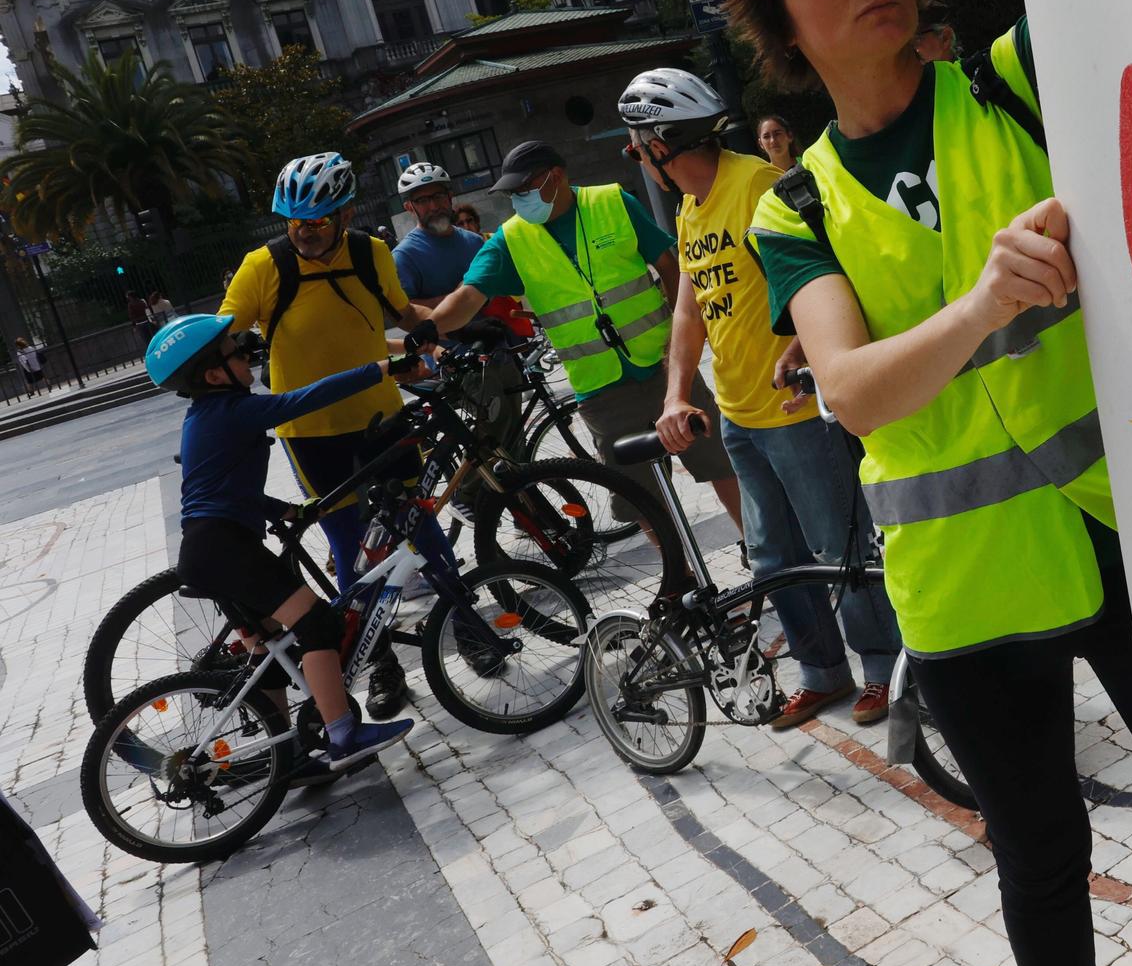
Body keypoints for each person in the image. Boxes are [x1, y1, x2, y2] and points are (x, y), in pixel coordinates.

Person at [720, 0, 1132, 966]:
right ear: (781, 13)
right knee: (1042, 859)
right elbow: (850, 389)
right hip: (966, 585)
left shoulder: (1018, 80)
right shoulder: (795, 205)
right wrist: (984, 300)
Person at [623, 67, 903, 727]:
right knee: (775, 558)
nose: (637, 157)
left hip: (797, 412)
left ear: (663, 144)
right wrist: (674, 395)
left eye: (638, 144)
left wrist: (804, 346)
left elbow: (827, 263)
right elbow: (690, 313)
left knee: (838, 547)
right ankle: (822, 673)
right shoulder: (692, 210)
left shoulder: (756, 185)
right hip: (740, 417)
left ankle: (885, 664)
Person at [220, 151, 458, 720]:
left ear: (345, 214)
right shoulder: (263, 266)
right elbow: (222, 335)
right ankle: (379, 666)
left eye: (320, 221)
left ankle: (467, 624)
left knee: (422, 528)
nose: (307, 233)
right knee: (349, 551)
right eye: (296, 222)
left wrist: (445, 334)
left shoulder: (372, 254)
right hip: (312, 432)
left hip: (382, 417)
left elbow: (404, 316)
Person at [143, 313, 420, 777]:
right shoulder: (235, 411)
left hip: (210, 549)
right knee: (319, 625)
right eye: (234, 352)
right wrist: (383, 369)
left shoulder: (207, 418)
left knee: (268, 647)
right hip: (227, 548)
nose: (245, 355)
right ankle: (343, 734)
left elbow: (225, 490)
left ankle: (286, 756)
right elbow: (304, 400)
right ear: (214, 375)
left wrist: (288, 511)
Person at [421, 140, 741, 528]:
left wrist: (683, 332)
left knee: (718, 462)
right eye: (512, 193)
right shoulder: (511, 239)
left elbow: (670, 266)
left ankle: (755, 551)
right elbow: (468, 296)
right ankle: (681, 579)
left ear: (555, 177)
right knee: (638, 496)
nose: (518, 200)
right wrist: (430, 326)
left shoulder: (612, 202)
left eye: (524, 189)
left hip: (665, 366)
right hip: (600, 388)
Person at [390, 162, 493, 337]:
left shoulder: (475, 242)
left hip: (496, 340)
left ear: (450, 196)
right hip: (447, 356)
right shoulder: (403, 256)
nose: (434, 206)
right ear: (409, 207)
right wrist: (462, 297)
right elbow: (404, 313)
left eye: (438, 196)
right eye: (422, 200)